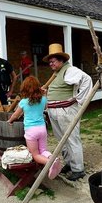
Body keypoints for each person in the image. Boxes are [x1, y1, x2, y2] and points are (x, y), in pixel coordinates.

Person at [42, 43, 93, 181]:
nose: (51, 64)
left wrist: (79, 99)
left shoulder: (70, 70)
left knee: (71, 139)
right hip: (54, 111)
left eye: (53, 61)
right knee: (61, 141)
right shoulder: (57, 73)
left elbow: (87, 80)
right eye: (50, 62)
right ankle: (69, 164)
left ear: (61, 60)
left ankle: (78, 169)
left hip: (65, 111)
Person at [7, 76, 62, 180]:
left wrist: (10, 121)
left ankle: (51, 162)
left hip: (31, 131)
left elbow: (15, 115)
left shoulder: (23, 102)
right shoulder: (43, 99)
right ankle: (53, 159)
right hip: (42, 128)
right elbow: (46, 107)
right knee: (43, 150)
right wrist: (45, 94)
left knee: (35, 155)